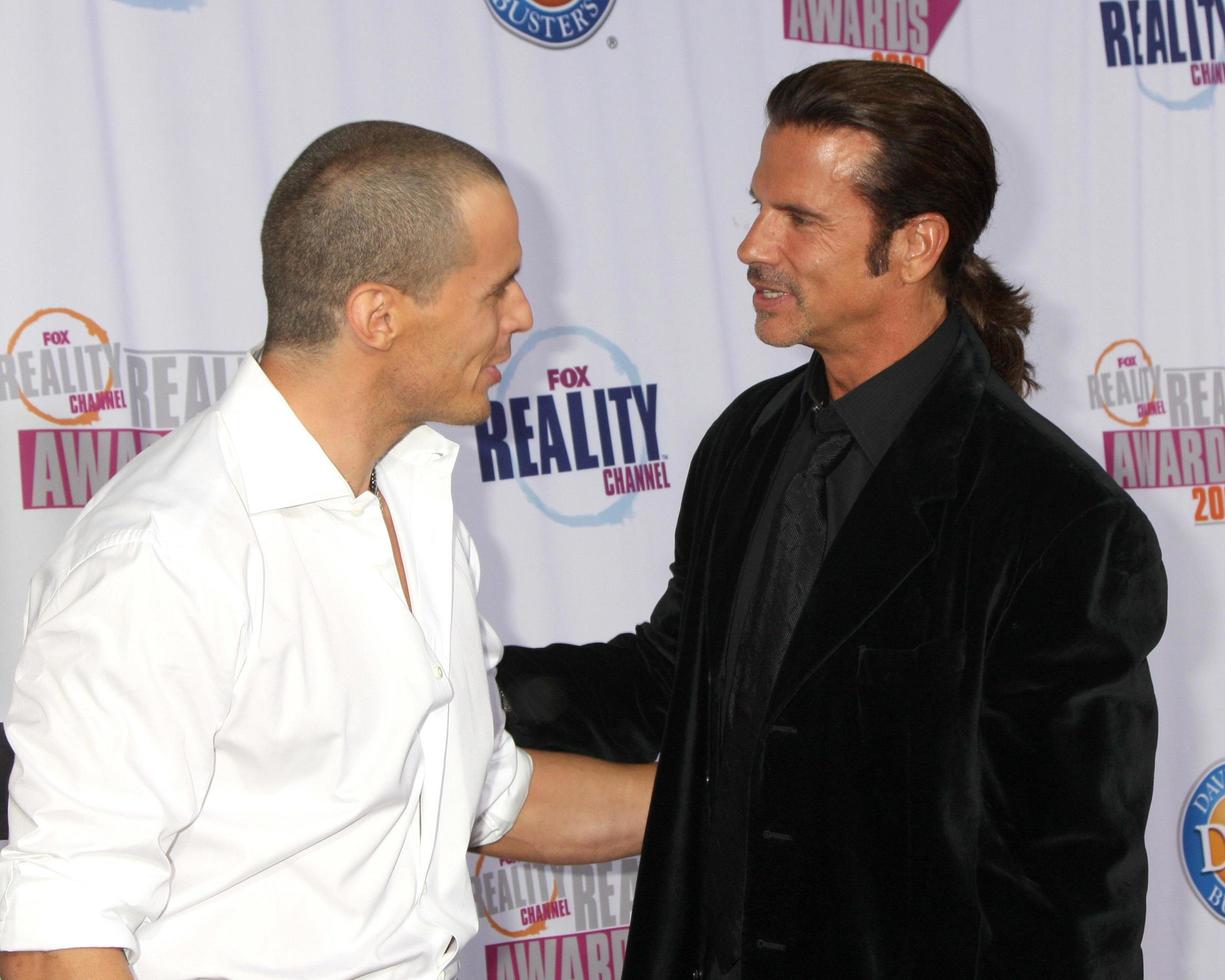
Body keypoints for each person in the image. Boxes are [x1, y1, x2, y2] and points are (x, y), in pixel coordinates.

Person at [497, 60, 1166, 978]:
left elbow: (1068, 902)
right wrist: (443, 678)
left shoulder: (1057, 521)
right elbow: (667, 682)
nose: (751, 245)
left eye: (799, 219)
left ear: (916, 242)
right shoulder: (746, 441)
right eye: (758, 206)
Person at [0, 121, 652, 980]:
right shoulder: (167, 552)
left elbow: (487, 795)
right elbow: (58, 938)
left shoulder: (415, 498)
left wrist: (761, 783)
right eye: (496, 289)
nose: (524, 315)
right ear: (378, 315)